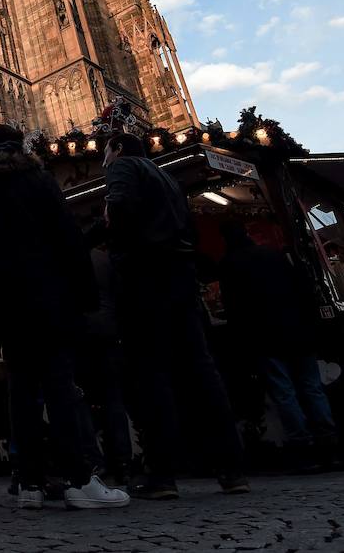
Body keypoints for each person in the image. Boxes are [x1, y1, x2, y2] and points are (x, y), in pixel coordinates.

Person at [0, 124, 129, 511]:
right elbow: (69, 239)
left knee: (21, 393)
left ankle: (29, 482)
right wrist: (84, 298)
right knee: (60, 387)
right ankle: (79, 480)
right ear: (20, 147)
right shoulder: (38, 180)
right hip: (48, 302)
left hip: (7, 308)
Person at [103, 132, 246, 499]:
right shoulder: (165, 176)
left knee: (150, 375)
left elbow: (118, 209)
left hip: (146, 278)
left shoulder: (124, 168)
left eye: (108, 149)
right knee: (200, 371)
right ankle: (231, 470)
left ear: (117, 149)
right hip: (179, 276)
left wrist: (115, 241)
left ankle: (162, 475)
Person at [217, 221, 337, 473]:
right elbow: (303, 289)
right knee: (311, 387)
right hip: (297, 330)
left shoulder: (230, 264)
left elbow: (233, 307)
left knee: (284, 391)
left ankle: (302, 445)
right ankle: (329, 442)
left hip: (265, 335)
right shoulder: (274, 256)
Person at [77, 242, 133, 485]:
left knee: (81, 401)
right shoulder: (103, 258)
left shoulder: (68, 259)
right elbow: (120, 293)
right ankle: (122, 462)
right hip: (108, 332)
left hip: (80, 335)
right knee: (113, 400)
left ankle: (94, 461)